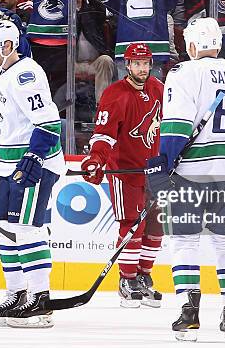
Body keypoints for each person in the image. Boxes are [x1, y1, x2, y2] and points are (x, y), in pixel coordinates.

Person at [146, 17, 225, 342]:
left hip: (191, 174)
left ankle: (189, 313)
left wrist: (164, 166)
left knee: (185, 241)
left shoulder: (182, 73)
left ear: (190, 46)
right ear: (218, 44)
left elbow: (176, 126)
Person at [0, 19, 65, 328]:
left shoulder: (26, 75)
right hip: (6, 164)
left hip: (31, 166)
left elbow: (49, 123)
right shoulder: (4, 73)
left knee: (26, 228)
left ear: (7, 46)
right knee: (3, 226)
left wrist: (34, 158)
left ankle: (41, 299)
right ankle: (18, 293)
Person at [80, 42, 163, 308]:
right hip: (125, 171)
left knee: (156, 227)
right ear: (127, 65)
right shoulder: (115, 94)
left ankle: (144, 276)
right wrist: (96, 159)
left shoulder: (159, 90)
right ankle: (127, 279)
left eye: (145, 63)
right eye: (136, 63)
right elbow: (103, 134)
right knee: (131, 225)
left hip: (156, 170)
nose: (142, 68)